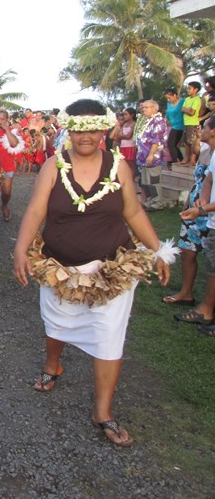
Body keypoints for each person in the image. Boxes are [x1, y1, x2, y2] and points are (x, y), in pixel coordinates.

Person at [13, 99, 173, 448]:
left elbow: (132, 212)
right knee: (56, 324)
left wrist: (159, 249)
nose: (86, 136)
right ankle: (53, 364)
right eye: (79, 129)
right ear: (69, 129)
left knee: (108, 336)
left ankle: (103, 412)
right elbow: (36, 209)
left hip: (109, 273)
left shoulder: (119, 167)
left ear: (105, 129)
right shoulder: (54, 166)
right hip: (59, 269)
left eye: (93, 128)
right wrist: (20, 249)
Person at [164, 116, 215, 306]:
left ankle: (208, 304)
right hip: (196, 208)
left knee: (211, 260)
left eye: (205, 127)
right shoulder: (205, 150)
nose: (200, 129)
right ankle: (186, 293)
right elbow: (200, 181)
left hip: (208, 210)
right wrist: (189, 202)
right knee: (187, 251)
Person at [0, 109, 24, 224]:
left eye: (3, 119)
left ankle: (4, 206)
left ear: (7, 120)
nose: (0, 121)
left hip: (8, 167)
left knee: (6, 192)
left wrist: (6, 129)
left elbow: (14, 144)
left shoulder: (12, 132)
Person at [136, 100, 168, 211]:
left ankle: (158, 202)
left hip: (152, 156)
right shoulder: (148, 120)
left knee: (154, 180)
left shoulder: (158, 121)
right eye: (143, 107)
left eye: (146, 107)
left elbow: (157, 140)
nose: (143, 109)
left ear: (154, 108)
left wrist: (151, 154)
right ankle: (150, 200)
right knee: (146, 181)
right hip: (143, 156)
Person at [181, 82, 201, 165]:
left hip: (193, 123)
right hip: (186, 123)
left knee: (192, 142)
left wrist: (187, 110)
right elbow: (182, 109)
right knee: (186, 142)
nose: (188, 90)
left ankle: (193, 159)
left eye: (190, 88)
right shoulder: (187, 99)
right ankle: (186, 158)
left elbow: (192, 112)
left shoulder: (197, 99)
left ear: (196, 89)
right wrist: (187, 110)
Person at [115, 107, 137, 180]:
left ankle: (131, 180)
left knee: (131, 165)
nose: (124, 116)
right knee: (125, 164)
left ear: (132, 115)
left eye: (126, 114)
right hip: (123, 147)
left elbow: (128, 136)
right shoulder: (124, 124)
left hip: (130, 147)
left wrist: (122, 136)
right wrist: (122, 136)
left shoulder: (134, 124)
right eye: (124, 114)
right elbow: (118, 136)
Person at [164, 87, 184, 163]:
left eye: (169, 98)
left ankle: (175, 161)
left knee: (171, 144)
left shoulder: (182, 101)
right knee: (173, 145)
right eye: (167, 98)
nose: (168, 100)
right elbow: (167, 114)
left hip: (179, 126)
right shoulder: (168, 103)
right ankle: (181, 159)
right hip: (172, 125)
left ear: (175, 95)